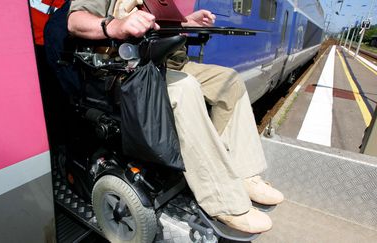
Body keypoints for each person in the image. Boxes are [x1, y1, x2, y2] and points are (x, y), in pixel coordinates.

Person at [67, 0, 284, 234]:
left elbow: (156, 24)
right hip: (126, 72)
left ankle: (243, 174)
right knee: (185, 89)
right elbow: (75, 21)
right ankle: (222, 200)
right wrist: (117, 26)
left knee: (230, 82)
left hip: (167, 62)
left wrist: (187, 22)